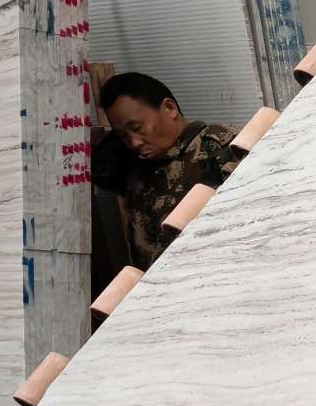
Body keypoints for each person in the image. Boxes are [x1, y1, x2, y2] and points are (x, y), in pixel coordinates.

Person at [92, 72, 243, 271]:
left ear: (170, 108)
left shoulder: (223, 147)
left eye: (137, 127)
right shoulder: (140, 171)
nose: (134, 142)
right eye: (123, 135)